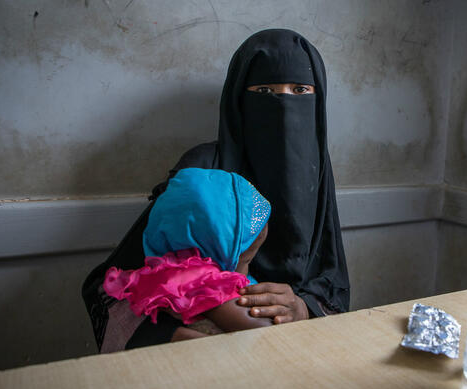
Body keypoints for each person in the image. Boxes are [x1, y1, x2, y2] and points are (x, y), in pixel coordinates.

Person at [82, 29, 350, 352]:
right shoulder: (203, 170)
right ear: (239, 102)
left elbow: (332, 285)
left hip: (297, 357)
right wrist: (167, 336)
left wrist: (303, 308)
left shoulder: (317, 173)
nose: (283, 108)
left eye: (300, 90)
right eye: (265, 90)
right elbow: (110, 286)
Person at [103, 168, 272, 338]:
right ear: (215, 251)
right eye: (248, 260)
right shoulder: (197, 282)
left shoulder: (164, 268)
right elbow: (262, 328)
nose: (248, 268)